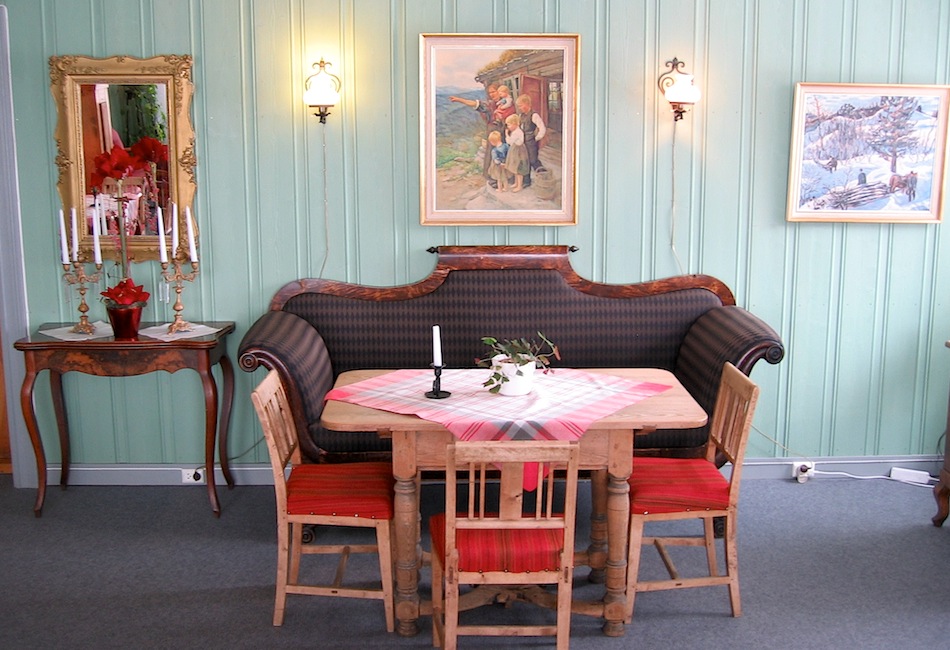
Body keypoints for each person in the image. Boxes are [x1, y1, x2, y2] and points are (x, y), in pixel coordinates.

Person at [449, 84, 504, 188]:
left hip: (505, 131)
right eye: (490, 93)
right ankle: (492, 178)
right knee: (492, 154)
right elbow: (475, 104)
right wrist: (460, 100)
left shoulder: (506, 103)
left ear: (499, 91)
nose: (492, 94)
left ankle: (506, 178)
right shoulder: (490, 104)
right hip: (493, 131)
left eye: (494, 91)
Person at [516, 94, 547, 187]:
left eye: (521, 105)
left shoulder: (534, 115)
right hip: (523, 141)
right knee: (525, 161)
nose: (519, 108)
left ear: (527, 104)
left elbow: (542, 128)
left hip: (531, 142)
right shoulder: (521, 115)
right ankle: (526, 181)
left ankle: (544, 176)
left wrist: (536, 138)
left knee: (533, 160)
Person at [504, 113, 529, 193]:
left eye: (509, 125)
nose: (508, 127)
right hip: (515, 150)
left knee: (518, 169)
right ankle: (516, 183)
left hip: (518, 152)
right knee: (515, 168)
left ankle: (519, 186)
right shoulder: (516, 131)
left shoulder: (516, 133)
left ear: (515, 124)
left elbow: (510, 142)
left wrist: (506, 135)